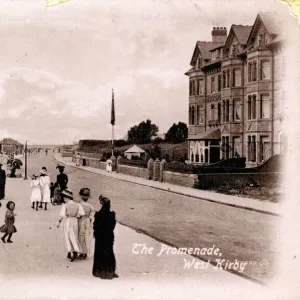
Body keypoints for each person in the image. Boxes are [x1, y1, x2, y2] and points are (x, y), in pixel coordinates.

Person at [92, 195, 118, 279]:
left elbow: (95, 226)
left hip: (100, 236)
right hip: (108, 236)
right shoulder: (111, 215)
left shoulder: (99, 214)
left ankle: (100, 271)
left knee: (100, 252)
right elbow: (112, 226)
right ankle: (110, 271)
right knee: (109, 252)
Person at [57, 189, 85, 262]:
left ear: (67, 198)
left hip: (68, 221)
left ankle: (70, 251)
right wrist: (77, 216)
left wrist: (59, 223)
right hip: (75, 221)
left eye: (64, 198)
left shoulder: (65, 205)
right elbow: (82, 214)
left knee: (67, 236)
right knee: (74, 235)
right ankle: (74, 250)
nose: (64, 199)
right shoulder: (78, 204)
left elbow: (62, 215)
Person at [78, 188, 95, 259]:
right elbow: (92, 216)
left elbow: (78, 215)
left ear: (81, 196)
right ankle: (85, 252)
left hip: (81, 220)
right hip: (87, 220)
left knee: (80, 236)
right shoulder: (90, 206)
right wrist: (90, 223)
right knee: (86, 236)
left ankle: (80, 251)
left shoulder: (79, 205)